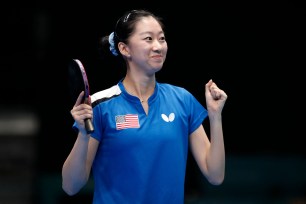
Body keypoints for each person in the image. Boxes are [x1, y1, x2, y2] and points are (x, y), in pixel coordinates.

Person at [62, 9, 228, 204]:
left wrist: (215, 116)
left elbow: (215, 175)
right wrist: (83, 135)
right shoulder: (100, 105)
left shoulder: (182, 100)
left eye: (162, 39)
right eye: (148, 39)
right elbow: (70, 186)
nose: (158, 46)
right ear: (125, 49)